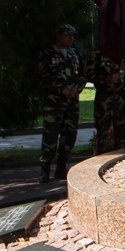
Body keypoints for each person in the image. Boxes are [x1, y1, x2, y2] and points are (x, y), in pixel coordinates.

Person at [38, 24, 86, 183]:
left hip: (72, 102)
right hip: (54, 103)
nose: (70, 39)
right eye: (67, 35)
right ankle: (45, 170)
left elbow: (83, 75)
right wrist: (61, 89)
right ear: (58, 35)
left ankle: (61, 168)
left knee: (69, 136)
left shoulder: (75, 54)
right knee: (50, 136)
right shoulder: (47, 54)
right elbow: (44, 76)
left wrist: (77, 89)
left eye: (72, 36)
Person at [87, 49, 125, 154]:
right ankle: (102, 160)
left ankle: (122, 160)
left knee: (122, 135)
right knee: (103, 134)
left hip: (120, 100)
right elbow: (89, 75)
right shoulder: (97, 54)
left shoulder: (123, 53)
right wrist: (106, 79)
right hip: (104, 100)